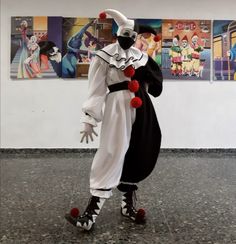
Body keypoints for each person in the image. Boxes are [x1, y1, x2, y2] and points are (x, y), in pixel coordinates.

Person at [65, 9, 163, 231]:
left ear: (135, 36)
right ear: (118, 34)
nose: (129, 38)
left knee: (139, 150)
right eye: (125, 33)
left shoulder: (142, 57)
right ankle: (91, 214)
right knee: (112, 151)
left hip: (142, 106)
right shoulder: (104, 56)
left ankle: (127, 205)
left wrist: (149, 80)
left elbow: (155, 82)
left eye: (132, 34)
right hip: (117, 105)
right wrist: (89, 118)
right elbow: (96, 90)